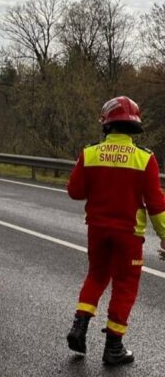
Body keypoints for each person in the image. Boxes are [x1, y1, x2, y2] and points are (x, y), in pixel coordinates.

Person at [65, 96, 165, 365]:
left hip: (97, 230)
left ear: (106, 125)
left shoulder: (90, 153)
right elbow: (156, 205)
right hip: (128, 235)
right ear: (134, 127)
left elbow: (75, 191)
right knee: (125, 286)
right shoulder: (145, 159)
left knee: (96, 276)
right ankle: (113, 348)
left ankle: (79, 326)